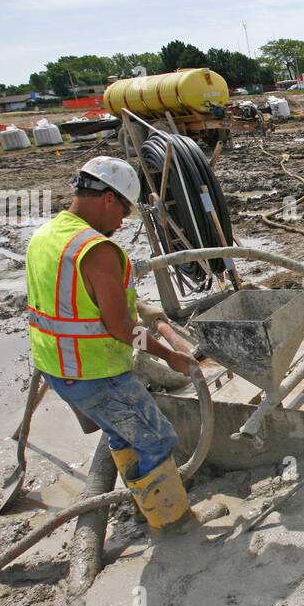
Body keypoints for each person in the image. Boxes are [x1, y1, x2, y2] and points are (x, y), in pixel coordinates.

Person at [25, 156, 213, 534]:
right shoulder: (96, 250)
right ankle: (173, 523)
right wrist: (169, 354)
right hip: (97, 373)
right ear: (108, 198)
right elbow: (120, 328)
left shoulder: (46, 235)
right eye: (124, 210)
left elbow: (72, 304)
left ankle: (145, 504)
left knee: (122, 434)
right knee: (158, 438)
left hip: (58, 369)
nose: (123, 221)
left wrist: (143, 311)